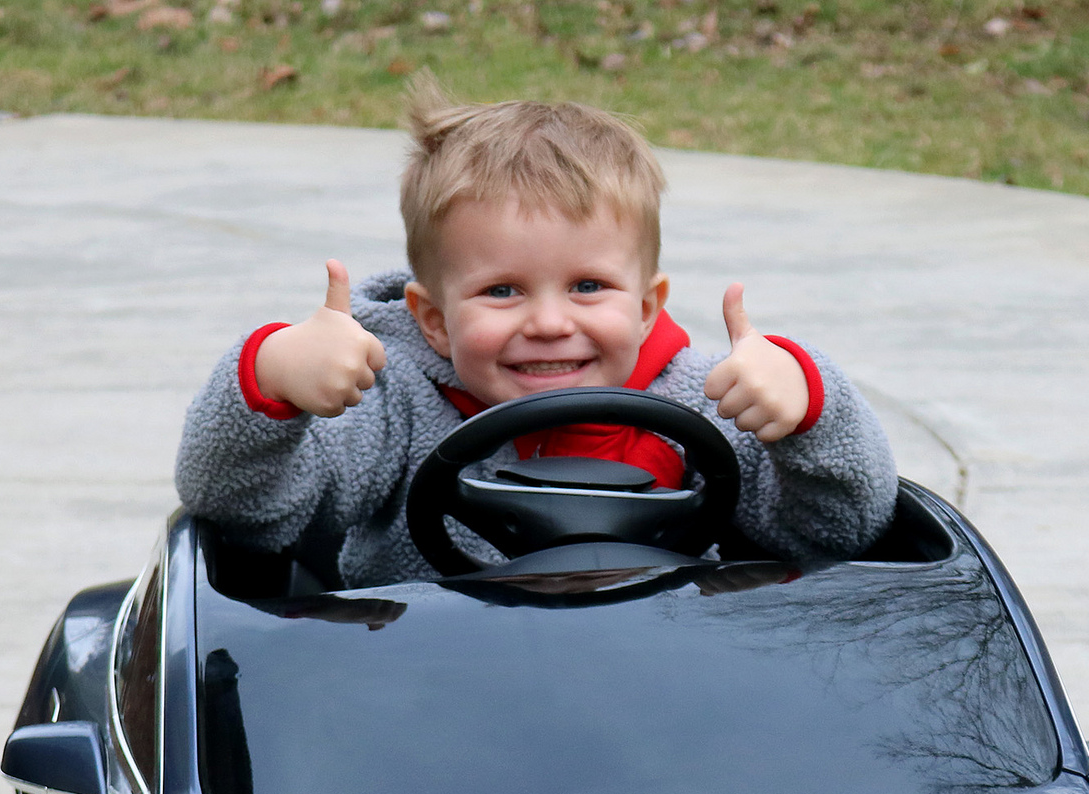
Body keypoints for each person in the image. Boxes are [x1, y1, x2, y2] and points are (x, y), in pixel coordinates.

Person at [174, 86, 897, 589]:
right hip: (418, 697)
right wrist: (269, 377)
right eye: (502, 290)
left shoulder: (709, 402)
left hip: (668, 699)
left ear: (648, 306)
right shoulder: (393, 404)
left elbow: (838, 533)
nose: (550, 322)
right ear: (432, 318)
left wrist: (811, 409)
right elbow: (246, 511)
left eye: (588, 286)